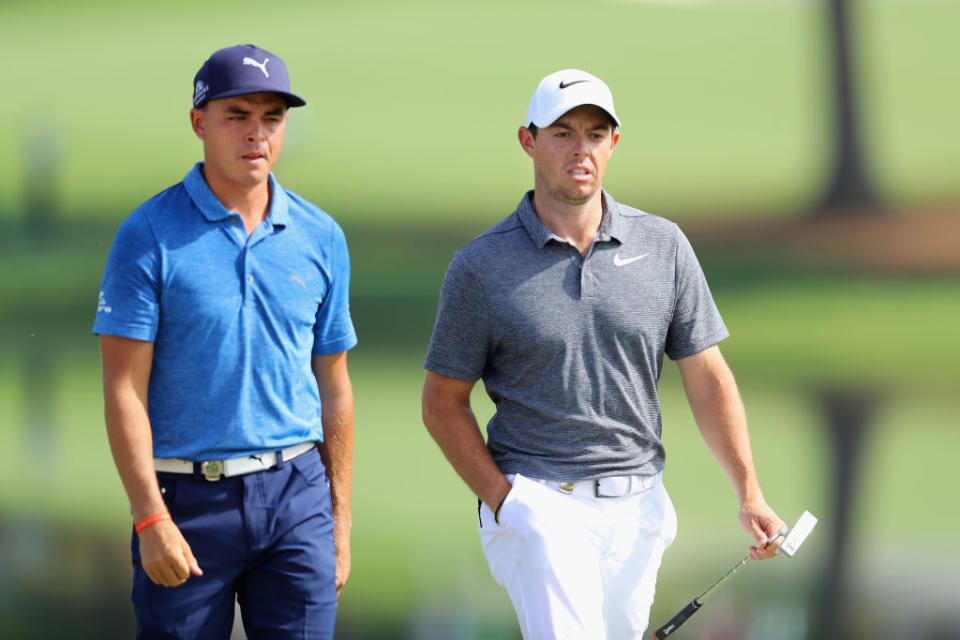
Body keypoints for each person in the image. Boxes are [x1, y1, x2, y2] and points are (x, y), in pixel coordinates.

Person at [421, 68, 786, 639]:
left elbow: (708, 377)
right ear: (528, 141)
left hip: (638, 505)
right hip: (538, 501)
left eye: (595, 133)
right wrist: (505, 500)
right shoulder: (481, 266)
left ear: (614, 143)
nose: (580, 148)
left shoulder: (662, 246)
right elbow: (443, 403)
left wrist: (750, 494)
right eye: (562, 132)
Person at [94, 44, 356, 639]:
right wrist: (148, 516)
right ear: (199, 123)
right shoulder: (149, 234)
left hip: (297, 495)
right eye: (237, 115)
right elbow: (122, 389)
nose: (256, 134)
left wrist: (338, 521)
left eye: (272, 118)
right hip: (186, 500)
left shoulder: (321, 236)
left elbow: (334, 389)